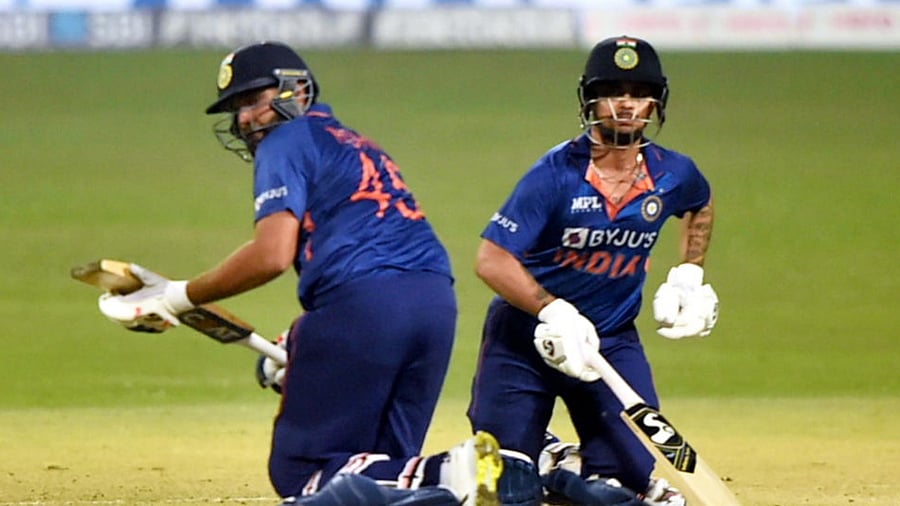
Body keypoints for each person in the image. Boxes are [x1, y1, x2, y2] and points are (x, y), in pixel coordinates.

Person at [97, 41, 502, 506]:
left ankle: (454, 472)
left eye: (253, 100)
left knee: (301, 470)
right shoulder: (355, 142)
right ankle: (467, 475)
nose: (246, 118)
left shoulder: (285, 141)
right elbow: (376, 243)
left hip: (364, 305)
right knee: (376, 473)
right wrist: (300, 343)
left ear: (296, 90)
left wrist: (177, 296)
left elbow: (272, 254)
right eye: (237, 108)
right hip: (434, 306)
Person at [467, 35, 719, 506]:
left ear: (655, 102)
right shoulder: (554, 175)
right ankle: (538, 455)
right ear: (590, 100)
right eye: (613, 92)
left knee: (622, 483)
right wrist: (552, 311)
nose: (626, 105)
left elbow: (699, 203)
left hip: (610, 342)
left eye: (639, 92)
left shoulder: (674, 174)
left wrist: (691, 274)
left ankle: (568, 468)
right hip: (525, 340)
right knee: (507, 488)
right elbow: (492, 258)